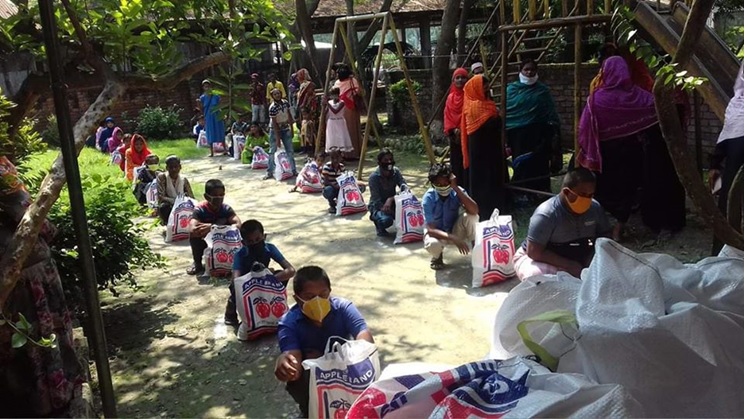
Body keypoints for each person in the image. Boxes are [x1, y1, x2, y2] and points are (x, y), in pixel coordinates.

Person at [0, 156, 85, 417]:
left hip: (15, 265)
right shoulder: (2, 169)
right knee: (38, 333)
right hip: (22, 266)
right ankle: (49, 397)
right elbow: (31, 216)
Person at [577, 56, 685, 240]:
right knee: (626, 192)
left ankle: (605, 229)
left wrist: (588, 152)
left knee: (606, 192)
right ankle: (619, 228)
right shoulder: (639, 96)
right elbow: (658, 110)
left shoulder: (596, 100)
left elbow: (584, 128)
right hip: (631, 155)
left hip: (606, 157)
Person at [274, 266, 374, 418]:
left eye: (323, 294)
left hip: (346, 370)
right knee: (304, 376)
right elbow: (292, 358)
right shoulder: (288, 323)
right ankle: (309, 410)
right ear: (297, 298)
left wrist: (327, 358)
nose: (318, 301)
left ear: (330, 291)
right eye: (309, 297)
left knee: (365, 365)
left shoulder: (344, 308)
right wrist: (287, 366)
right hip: (312, 381)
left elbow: (365, 339)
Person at [513, 168, 612, 280]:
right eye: (582, 194)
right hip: (540, 259)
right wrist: (568, 265)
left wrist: (593, 257)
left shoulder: (595, 208)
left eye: (590, 195)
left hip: (580, 259)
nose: (587, 200)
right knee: (537, 278)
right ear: (566, 192)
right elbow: (534, 252)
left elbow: (605, 237)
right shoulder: (546, 214)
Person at [505, 58, 562, 198]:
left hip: (539, 135)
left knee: (539, 164)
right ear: (521, 71)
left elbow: (551, 113)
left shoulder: (543, 91)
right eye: (526, 69)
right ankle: (521, 193)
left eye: (532, 69)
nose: (529, 72)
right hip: (518, 136)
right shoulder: (511, 90)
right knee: (522, 165)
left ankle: (540, 193)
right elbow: (507, 113)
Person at [228, 220, 296, 327]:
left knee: (280, 274)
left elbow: (291, 270)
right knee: (233, 288)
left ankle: (272, 300)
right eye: (250, 241)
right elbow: (236, 280)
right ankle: (230, 313)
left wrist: (270, 279)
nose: (255, 243)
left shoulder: (270, 248)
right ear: (244, 243)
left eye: (258, 239)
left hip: (265, 282)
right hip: (247, 286)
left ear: (264, 236)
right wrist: (252, 282)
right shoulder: (240, 254)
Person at [461, 74, 507, 221]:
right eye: (483, 86)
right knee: (482, 181)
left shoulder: (488, 102)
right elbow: (489, 125)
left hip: (492, 148)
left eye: (487, 85)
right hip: (479, 150)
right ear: (475, 88)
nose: (487, 88)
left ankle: (496, 207)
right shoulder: (474, 106)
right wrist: (497, 118)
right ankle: (483, 210)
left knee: (493, 178)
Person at [709, 61, 743, 254]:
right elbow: (726, 136)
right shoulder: (738, 106)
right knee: (731, 214)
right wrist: (714, 165)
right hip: (735, 179)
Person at [422, 163, 480, 270]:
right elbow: (430, 230)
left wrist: (455, 188)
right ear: (433, 184)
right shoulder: (428, 198)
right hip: (438, 234)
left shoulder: (456, 191)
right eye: (438, 184)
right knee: (433, 244)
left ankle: (478, 254)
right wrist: (452, 238)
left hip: (455, 230)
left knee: (472, 217)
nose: (443, 187)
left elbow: (475, 210)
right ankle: (437, 256)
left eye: (446, 183)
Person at [187, 179, 241, 276]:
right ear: (206, 197)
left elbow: (238, 224)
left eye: (221, 195)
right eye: (215, 195)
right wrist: (208, 231)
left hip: (225, 242)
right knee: (194, 236)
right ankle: (197, 263)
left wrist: (214, 228)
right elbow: (192, 229)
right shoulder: (200, 210)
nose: (219, 198)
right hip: (207, 242)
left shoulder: (226, 209)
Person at [368, 149, 409, 237]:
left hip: (393, 202)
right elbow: (376, 200)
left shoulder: (395, 171)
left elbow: (404, 187)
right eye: (386, 160)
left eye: (391, 159)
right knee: (386, 220)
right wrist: (388, 210)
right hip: (378, 206)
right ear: (379, 162)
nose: (389, 162)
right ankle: (378, 222)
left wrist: (392, 199)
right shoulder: (374, 177)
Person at [443, 68, 469, 188]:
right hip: (455, 137)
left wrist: (464, 129)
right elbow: (447, 116)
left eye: (463, 77)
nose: (460, 80)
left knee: (468, 163)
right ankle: (458, 188)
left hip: (469, 135)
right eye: (457, 78)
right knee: (457, 163)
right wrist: (454, 129)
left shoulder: (470, 95)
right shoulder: (450, 98)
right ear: (453, 80)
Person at [265, 88, 297, 180]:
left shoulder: (286, 103)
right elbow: (274, 124)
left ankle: (293, 170)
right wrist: (278, 138)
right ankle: (269, 171)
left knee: (290, 151)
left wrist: (292, 129)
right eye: (275, 94)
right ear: (272, 96)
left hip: (285, 127)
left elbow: (289, 115)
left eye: (278, 93)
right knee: (272, 151)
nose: (277, 95)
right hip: (275, 130)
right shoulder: (272, 107)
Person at [333, 63, 363, 160]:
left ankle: (348, 153)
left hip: (344, 108)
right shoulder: (353, 81)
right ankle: (353, 152)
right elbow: (359, 92)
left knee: (347, 131)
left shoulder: (338, 83)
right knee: (352, 130)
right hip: (349, 108)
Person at [156, 155, 195, 225]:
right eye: (171, 167)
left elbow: (191, 196)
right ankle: (167, 223)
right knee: (163, 207)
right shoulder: (162, 177)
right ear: (167, 168)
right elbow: (161, 196)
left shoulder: (183, 179)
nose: (174, 169)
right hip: (169, 204)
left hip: (182, 204)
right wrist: (175, 201)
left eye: (176, 167)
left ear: (180, 167)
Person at [197, 79, 226, 157]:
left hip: (217, 114)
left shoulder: (216, 95)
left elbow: (220, 105)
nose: (207, 88)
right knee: (210, 132)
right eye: (205, 86)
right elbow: (201, 108)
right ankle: (212, 152)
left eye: (208, 86)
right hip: (208, 116)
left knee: (220, 131)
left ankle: (225, 149)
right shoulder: (202, 97)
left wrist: (223, 114)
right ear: (203, 88)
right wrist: (198, 103)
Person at [324, 87, 353, 153]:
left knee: (340, 137)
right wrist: (324, 105)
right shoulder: (329, 102)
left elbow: (336, 111)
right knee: (332, 139)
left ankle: (341, 154)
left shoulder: (342, 102)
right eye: (332, 95)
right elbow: (325, 112)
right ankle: (334, 154)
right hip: (331, 122)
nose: (334, 97)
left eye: (335, 95)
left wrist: (327, 104)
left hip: (339, 122)